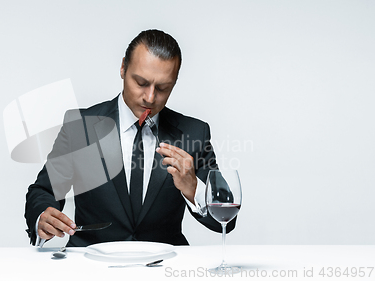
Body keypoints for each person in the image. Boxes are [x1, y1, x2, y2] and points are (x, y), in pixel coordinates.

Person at [24, 29, 236, 247]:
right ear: (123, 67)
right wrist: (43, 217)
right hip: (91, 266)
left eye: (162, 88)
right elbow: (44, 190)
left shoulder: (195, 133)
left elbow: (227, 220)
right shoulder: (80, 126)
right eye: (141, 83)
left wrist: (193, 188)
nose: (150, 97)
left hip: (164, 267)